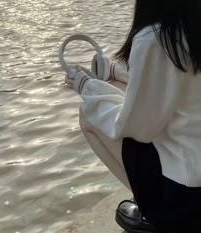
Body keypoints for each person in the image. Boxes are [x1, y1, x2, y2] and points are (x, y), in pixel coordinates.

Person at [64, 0, 201, 232]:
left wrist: (88, 88)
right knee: (115, 85)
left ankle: (154, 213)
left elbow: (136, 130)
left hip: (185, 198)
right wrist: (113, 73)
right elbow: (175, 79)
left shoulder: (158, 37)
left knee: (88, 115)